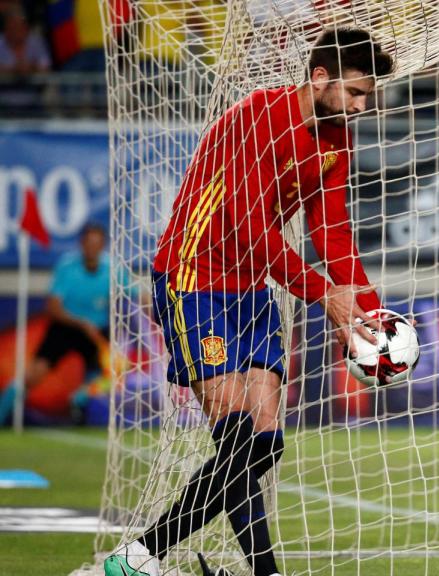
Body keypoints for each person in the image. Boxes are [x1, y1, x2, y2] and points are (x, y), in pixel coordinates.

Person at [103, 27, 394, 576]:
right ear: (320, 77)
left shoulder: (337, 139)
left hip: (253, 288)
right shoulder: (258, 119)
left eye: (367, 98)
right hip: (195, 280)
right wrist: (320, 295)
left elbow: (331, 228)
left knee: (262, 445)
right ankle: (149, 562)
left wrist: (368, 309)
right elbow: (248, 228)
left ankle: (146, 555)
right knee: (237, 436)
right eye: (355, 93)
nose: (360, 107)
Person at [0, 223, 109, 426]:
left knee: (111, 374)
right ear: (82, 244)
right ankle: (2, 413)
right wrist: (81, 323)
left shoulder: (113, 268)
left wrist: (155, 312)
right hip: (66, 327)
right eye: (89, 243)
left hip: (97, 332)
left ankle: (79, 399)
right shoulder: (67, 267)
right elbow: (53, 307)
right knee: (33, 375)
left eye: (97, 243)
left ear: (103, 246)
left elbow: (137, 295)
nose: (93, 248)